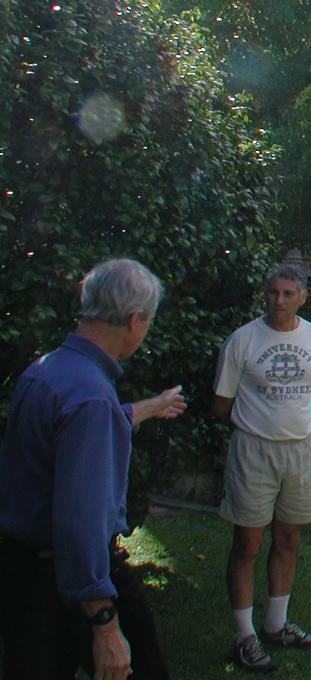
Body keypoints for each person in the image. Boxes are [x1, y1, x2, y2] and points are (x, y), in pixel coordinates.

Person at [0, 258, 187, 680]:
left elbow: (82, 432)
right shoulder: (90, 399)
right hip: (63, 579)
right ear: (135, 320)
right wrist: (104, 623)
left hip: (20, 571)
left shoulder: (48, 370)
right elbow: (79, 523)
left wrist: (152, 407)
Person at [212, 263, 311, 673]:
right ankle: (246, 637)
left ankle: (276, 624)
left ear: (302, 297)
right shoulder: (242, 340)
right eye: (273, 292)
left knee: (289, 538)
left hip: (300, 451)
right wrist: (257, 427)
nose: (278, 300)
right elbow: (221, 404)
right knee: (247, 544)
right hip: (253, 451)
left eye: (287, 293)